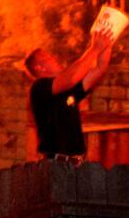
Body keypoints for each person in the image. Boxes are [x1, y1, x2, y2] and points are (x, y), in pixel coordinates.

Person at [24, 27, 115, 163]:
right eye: (47, 57)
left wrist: (105, 46)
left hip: (75, 165)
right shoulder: (39, 88)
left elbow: (99, 70)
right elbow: (71, 78)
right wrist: (94, 49)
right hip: (56, 165)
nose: (54, 58)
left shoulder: (68, 91)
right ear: (39, 68)